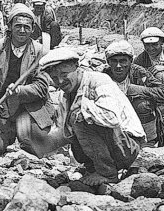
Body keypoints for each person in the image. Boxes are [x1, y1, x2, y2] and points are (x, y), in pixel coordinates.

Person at [41, 46, 144, 193]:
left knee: (80, 117)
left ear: (77, 67)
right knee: (72, 126)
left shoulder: (99, 80)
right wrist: (41, 143)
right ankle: (94, 167)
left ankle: (107, 173)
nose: (60, 81)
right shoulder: (64, 96)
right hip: (111, 147)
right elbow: (62, 133)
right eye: (55, 78)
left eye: (64, 74)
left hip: (127, 147)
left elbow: (111, 119)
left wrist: (83, 109)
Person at [0, 4, 56, 156]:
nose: (22, 30)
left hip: (30, 107)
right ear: (9, 26)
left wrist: (19, 90)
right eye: (18, 26)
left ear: (32, 28)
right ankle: (8, 131)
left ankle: (26, 131)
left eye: (26, 27)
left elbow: (41, 88)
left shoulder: (40, 51)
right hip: (1, 107)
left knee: (33, 144)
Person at [102, 39, 164, 148]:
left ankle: (148, 141)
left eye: (123, 61)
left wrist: (137, 90)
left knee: (142, 104)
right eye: (114, 61)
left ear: (130, 61)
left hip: (138, 117)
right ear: (108, 62)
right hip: (114, 118)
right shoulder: (103, 76)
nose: (118, 66)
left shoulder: (139, 72)